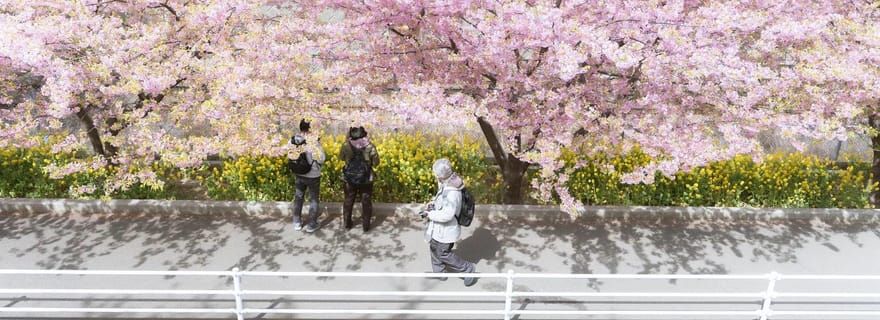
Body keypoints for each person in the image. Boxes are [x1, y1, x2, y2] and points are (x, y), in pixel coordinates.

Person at [419, 158, 477, 287]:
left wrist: (429, 214)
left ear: (440, 176)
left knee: (442, 252)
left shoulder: (452, 193)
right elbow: (441, 200)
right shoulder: (447, 183)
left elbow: (447, 214)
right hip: (439, 228)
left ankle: (468, 269)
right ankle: (439, 272)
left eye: (435, 174)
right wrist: (433, 204)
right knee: (433, 246)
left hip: (447, 230)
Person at [339, 126, 379, 232]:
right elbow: (376, 163)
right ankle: (366, 226)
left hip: (349, 177)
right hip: (366, 178)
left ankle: (347, 224)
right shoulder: (370, 146)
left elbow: (341, 158)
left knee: (348, 200)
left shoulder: (346, 145)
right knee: (366, 201)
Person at [290, 119, 325, 233]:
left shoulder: (293, 140)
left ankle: (297, 222)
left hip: (299, 173)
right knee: (313, 199)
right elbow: (321, 158)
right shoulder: (314, 142)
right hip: (313, 175)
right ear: (310, 128)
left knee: (298, 197)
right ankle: (311, 224)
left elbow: (290, 156)